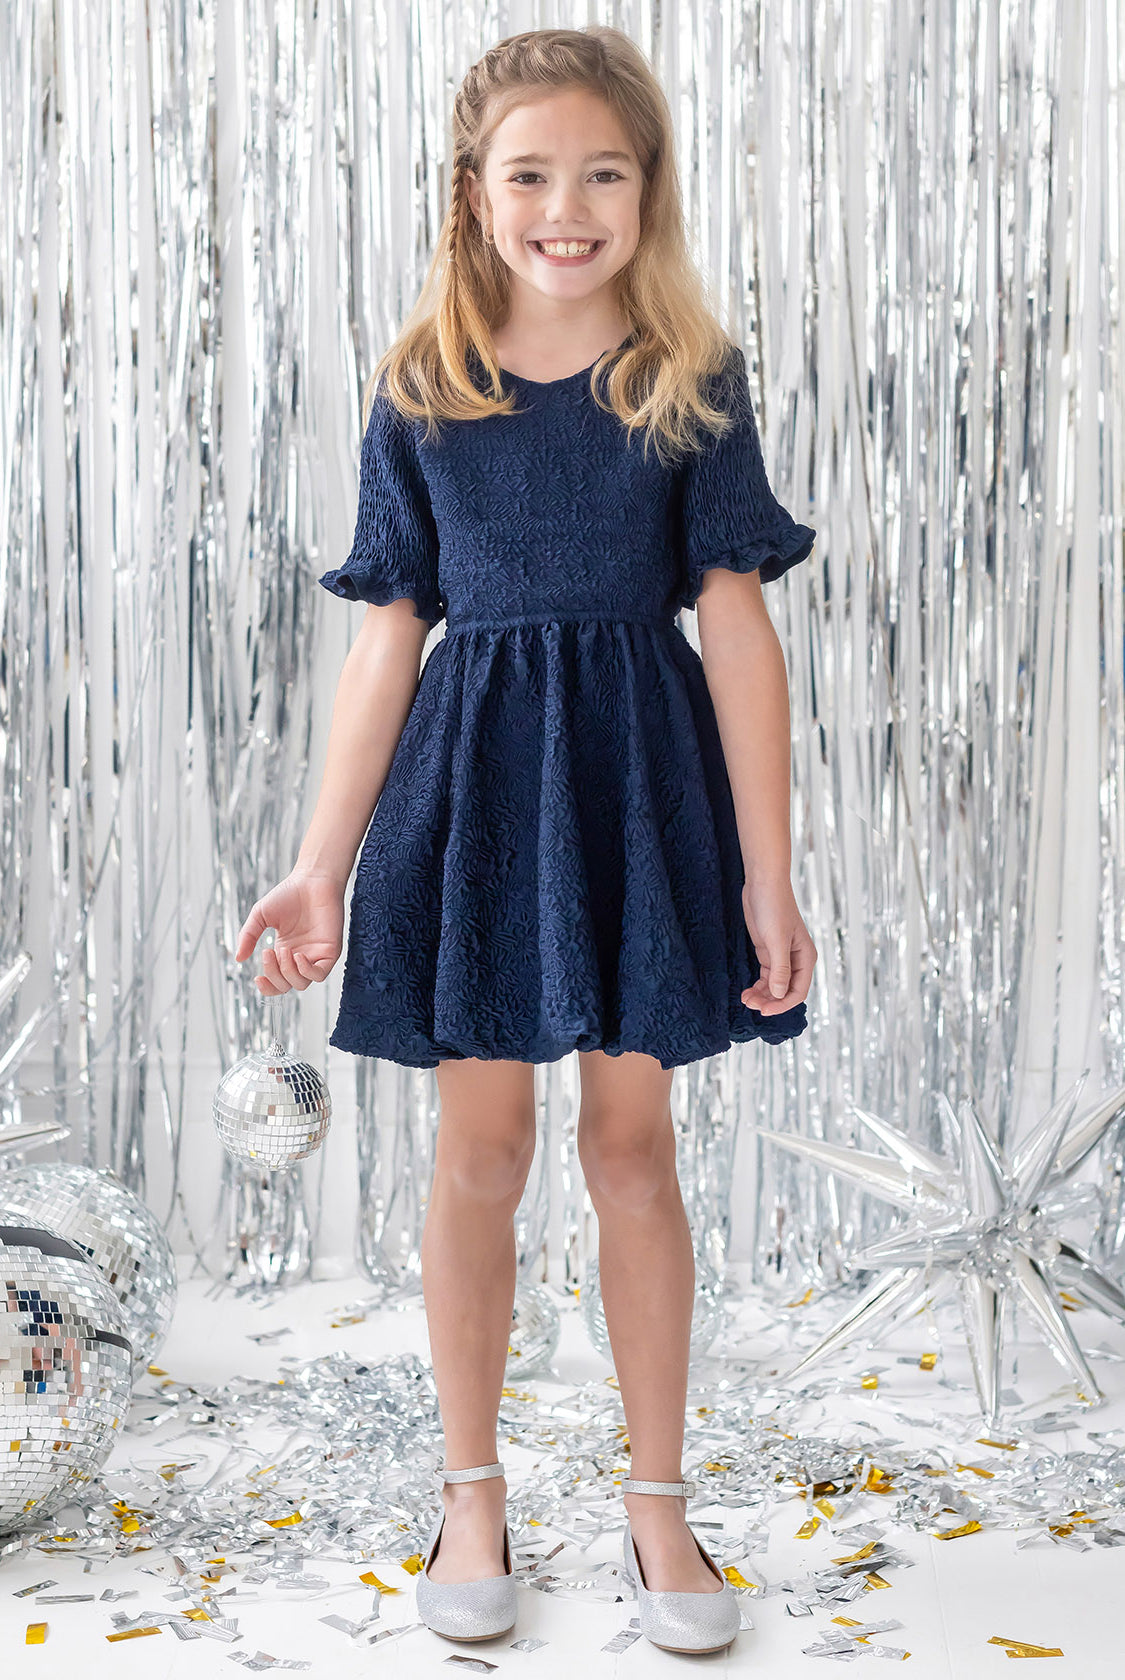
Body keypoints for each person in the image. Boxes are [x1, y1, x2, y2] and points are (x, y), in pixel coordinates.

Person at [235, 25, 817, 1657]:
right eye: (531, 175)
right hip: (477, 793)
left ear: (650, 189)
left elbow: (737, 631)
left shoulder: (686, 375)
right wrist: (319, 862)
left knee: (631, 1153)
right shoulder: (425, 383)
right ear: (473, 193)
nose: (567, 208)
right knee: (478, 1155)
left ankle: (656, 1505)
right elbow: (387, 639)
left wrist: (769, 872)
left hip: (637, 793)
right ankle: (469, 1494)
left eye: (602, 175)